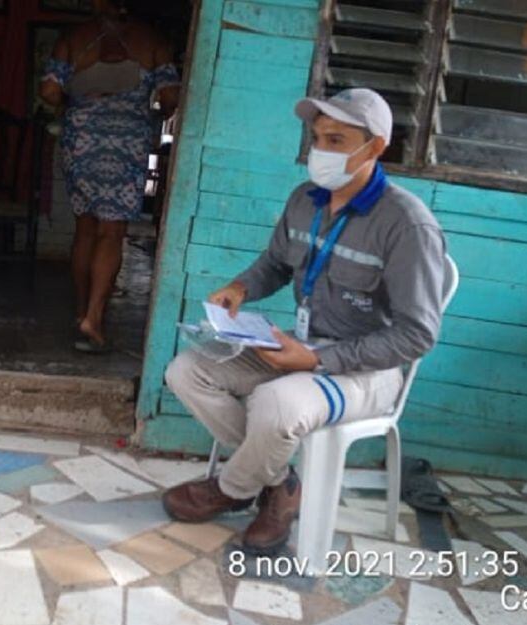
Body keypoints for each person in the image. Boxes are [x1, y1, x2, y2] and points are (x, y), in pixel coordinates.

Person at [162, 89, 448, 553]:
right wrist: (241, 288)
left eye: (336, 139)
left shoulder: (407, 224)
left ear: (375, 147)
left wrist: (317, 359)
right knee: (186, 372)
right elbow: (275, 263)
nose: (321, 151)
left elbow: (417, 335)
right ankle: (279, 484)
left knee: (277, 404)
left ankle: (232, 489)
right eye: (317, 138)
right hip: (300, 344)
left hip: (366, 370)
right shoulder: (305, 200)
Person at [39, 0, 180, 353]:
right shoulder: (153, 41)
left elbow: (49, 91)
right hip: (129, 141)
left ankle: (80, 310)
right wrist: (147, 111)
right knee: (112, 230)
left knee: (86, 226)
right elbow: (170, 97)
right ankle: (95, 317)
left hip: (82, 138)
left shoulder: (73, 38)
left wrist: (75, 103)